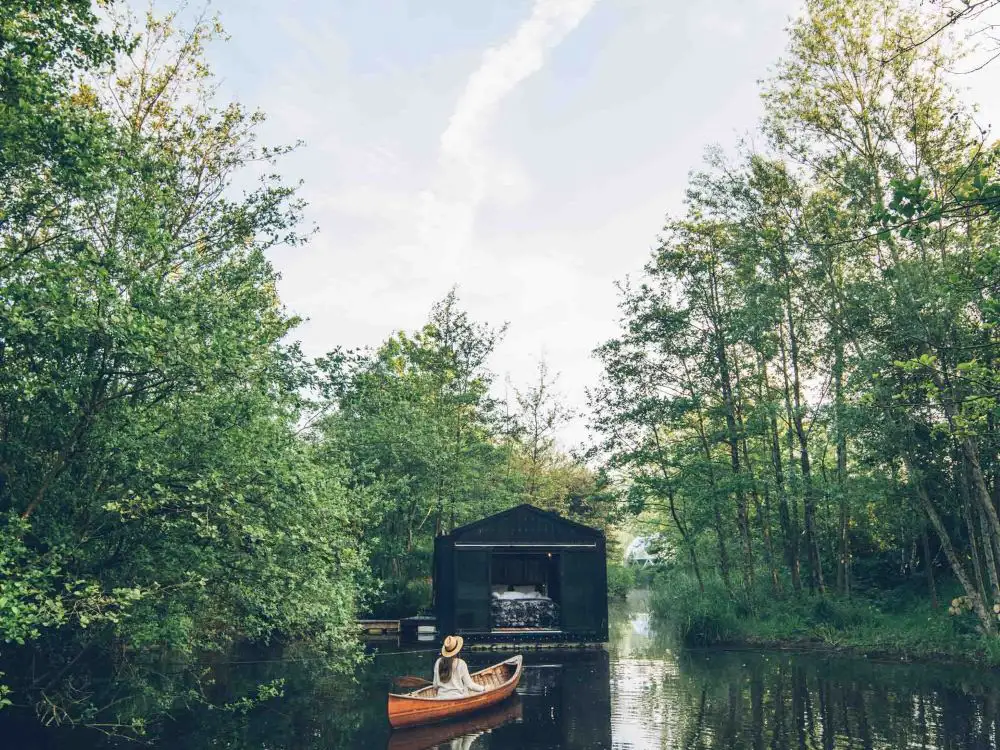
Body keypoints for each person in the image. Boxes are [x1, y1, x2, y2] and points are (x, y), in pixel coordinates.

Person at [433, 635, 485, 700]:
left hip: (440, 698)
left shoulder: (438, 662)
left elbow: (435, 686)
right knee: (465, 687)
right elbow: (470, 685)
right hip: (457, 698)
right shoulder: (461, 663)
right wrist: (484, 688)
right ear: (457, 650)